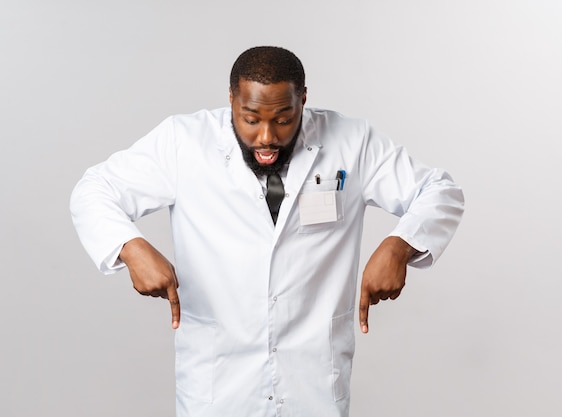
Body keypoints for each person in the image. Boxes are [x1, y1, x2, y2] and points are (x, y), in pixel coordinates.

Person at [70, 46, 464, 417]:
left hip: (312, 384)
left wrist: (400, 246)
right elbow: (94, 190)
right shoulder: (183, 142)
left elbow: (440, 191)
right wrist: (130, 246)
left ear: (303, 100)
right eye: (251, 118)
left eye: (283, 119)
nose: (266, 138)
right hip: (219, 386)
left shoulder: (352, 141)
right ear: (231, 100)